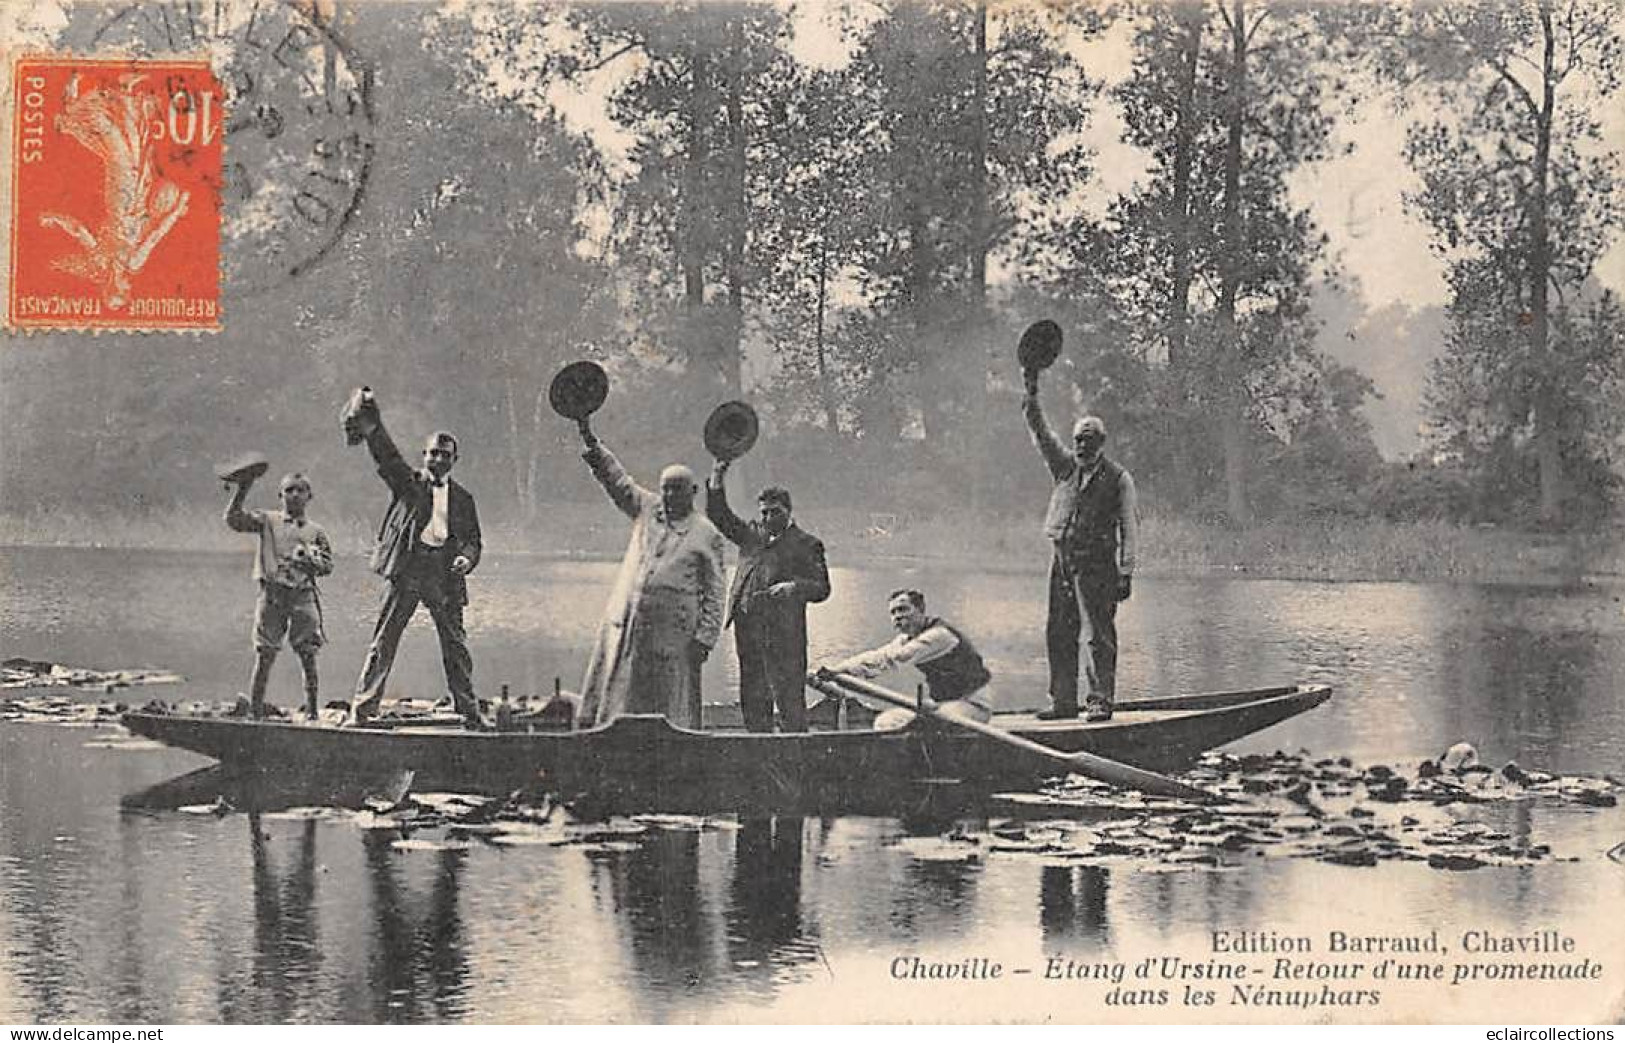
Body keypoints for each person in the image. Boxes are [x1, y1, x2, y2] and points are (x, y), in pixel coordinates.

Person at [344, 394, 485, 728]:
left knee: (455, 644)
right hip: (408, 569)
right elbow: (388, 459)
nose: (437, 459)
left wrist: (466, 559)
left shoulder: (464, 499)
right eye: (433, 453)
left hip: (444, 574)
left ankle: (469, 711)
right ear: (424, 456)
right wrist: (373, 426)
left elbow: (474, 541)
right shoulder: (410, 484)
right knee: (385, 639)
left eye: (445, 455)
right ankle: (362, 710)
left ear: (454, 460)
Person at [578, 428, 726, 729]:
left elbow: (715, 593)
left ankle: (673, 747)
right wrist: (590, 439)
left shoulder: (706, 533)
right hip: (632, 623)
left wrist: (705, 638)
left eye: (677, 489)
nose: (670, 495)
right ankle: (611, 735)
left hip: (675, 635)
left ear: (693, 491)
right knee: (622, 691)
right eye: (665, 489)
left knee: (670, 700)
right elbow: (617, 481)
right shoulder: (647, 509)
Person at [1022, 368, 1138, 722]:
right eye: (1078, 439)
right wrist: (1031, 396)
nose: (1081, 445)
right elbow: (1042, 434)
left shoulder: (1119, 478)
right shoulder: (1064, 468)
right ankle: (1063, 702)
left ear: (1101, 442)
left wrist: (1126, 570)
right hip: (1062, 560)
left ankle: (1100, 701)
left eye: (1088, 439)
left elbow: (1129, 527)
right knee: (1059, 630)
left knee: (1098, 636)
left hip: (1098, 565)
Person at [706, 460, 831, 733]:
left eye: (774, 512)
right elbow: (720, 516)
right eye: (763, 513)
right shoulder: (751, 535)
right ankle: (756, 745)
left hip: (785, 634)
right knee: (752, 693)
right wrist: (717, 475)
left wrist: (794, 588)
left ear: (788, 512)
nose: (767, 519)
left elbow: (822, 588)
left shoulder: (807, 544)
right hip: (747, 628)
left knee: (788, 698)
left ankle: (795, 751)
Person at [225, 470, 333, 719]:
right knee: (265, 654)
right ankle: (255, 712)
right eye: (289, 491)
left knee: (308, 654)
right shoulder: (267, 521)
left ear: (309, 496)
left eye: (300, 491)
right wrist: (243, 488)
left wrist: (311, 561)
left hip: (302, 596)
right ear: (280, 495)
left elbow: (328, 566)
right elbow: (234, 520)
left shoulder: (316, 531)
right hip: (272, 595)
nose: (294, 495)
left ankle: (313, 712)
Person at [815, 588, 993, 731]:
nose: (897, 616)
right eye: (893, 612)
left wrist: (838, 671)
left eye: (903, 609)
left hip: (973, 704)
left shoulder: (939, 636)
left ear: (920, 610)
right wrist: (838, 669)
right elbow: (879, 655)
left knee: (933, 724)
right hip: (943, 703)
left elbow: (892, 660)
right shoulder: (906, 639)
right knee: (885, 722)